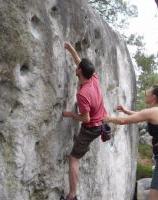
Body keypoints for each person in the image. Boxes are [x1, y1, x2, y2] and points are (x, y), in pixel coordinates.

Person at [104, 85, 158, 200]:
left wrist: (109, 118)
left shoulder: (153, 111)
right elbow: (141, 115)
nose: (146, 94)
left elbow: (122, 121)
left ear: (153, 97)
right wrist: (126, 111)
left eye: (148, 93)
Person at [62, 42, 107, 200]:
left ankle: (72, 195)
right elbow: (78, 61)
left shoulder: (83, 94)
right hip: (100, 121)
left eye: (78, 66)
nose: (77, 65)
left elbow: (85, 118)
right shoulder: (92, 77)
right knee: (79, 152)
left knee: (73, 158)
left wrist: (71, 114)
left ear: (79, 71)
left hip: (91, 128)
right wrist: (69, 48)